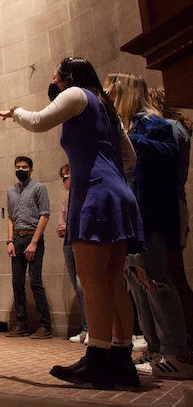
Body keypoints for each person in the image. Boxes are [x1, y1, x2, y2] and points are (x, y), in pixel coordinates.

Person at [0, 57, 143, 388]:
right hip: (118, 192)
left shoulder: (76, 94)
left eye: (56, 77)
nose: (54, 82)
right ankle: (122, 361)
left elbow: (36, 122)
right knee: (112, 281)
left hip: (94, 193)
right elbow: (130, 158)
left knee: (92, 281)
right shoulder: (106, 106)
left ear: (69, 77)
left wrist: (14, 112)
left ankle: (97, 360)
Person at [105, 72, 192, 378]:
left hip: (152, 213)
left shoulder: (151, 122)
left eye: (111, 93)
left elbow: (165, 159)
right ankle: (157, 349)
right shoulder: (132, 126)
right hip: (135, 214)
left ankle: (177, 352)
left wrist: (126, 137)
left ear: (124, 92)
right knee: (139, 281)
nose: (108, 98)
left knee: (157, 280)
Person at [148, 85, 193, 348]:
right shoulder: (174, 127)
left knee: (172, 274)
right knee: (170, 274)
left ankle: (182, 343)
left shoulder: (169, 128)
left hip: (167, 203)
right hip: (170, 202)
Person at [3, 156, 53, 339]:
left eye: (24, 167)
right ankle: (21, 323)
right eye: (18, 167)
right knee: (17, 282)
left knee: (35, 281)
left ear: (31, 170)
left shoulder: (39, 188)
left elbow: (45, 215)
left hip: (33, 237)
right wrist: (10, 241)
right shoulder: (11, 191)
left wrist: (34, 242)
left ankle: (44, 326)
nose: (21, 169)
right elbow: (10, 217)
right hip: (17, 238)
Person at [56, 163, 89, 344]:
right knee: (77, 287)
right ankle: (86, 327)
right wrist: (62, 229)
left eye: (68, 174)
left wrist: (67, 227)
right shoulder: (65, 203)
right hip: (68, 243)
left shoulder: (84, 197)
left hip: (82, 243)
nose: (65, 178)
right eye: (63, 176)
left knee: (84, 285)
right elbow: (62, 225)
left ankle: (94, 328)